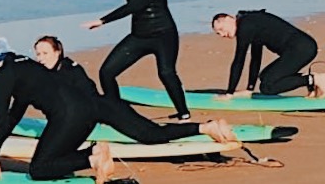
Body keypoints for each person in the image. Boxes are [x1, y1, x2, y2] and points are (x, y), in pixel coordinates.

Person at [45, 0, 191, 119]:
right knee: (107, 72)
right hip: (139, 36)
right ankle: (116, 113)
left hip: (163, 35)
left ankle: (183, 112)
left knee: (166, 72)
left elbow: (135, 5)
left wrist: (103, 20)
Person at [33, 35, 236, 144]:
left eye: (45, 53)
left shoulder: (67, 71)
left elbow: (82, 96)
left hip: (107, 109)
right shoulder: (63, 68)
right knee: (151, 131)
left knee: (150, 135)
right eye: (38, 54)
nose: (40, 58)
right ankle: (207, 127)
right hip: (106, 107)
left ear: (58, 52)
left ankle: (206, 128)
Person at [0, 37, 115, 184]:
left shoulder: (4, 74)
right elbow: (13, 117)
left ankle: (93, 160)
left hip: (68, 115)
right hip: (89, 112)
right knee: (57, 156)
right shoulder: (27, 64)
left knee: (38, 169)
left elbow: (0, 117)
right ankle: (95, 151)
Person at [211, 10, 324, 98]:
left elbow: (239, 61)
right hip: (303, 47)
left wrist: (229, 93)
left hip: (300, 50)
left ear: (229, 19)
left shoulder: (245, 27)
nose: (222, 34)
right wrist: (249, 89)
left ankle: (314, 79)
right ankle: (311, 82)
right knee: (265, 77)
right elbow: (255, 58)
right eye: (218, 33)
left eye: (221, 29)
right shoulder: (250, 22)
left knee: (267, 87)